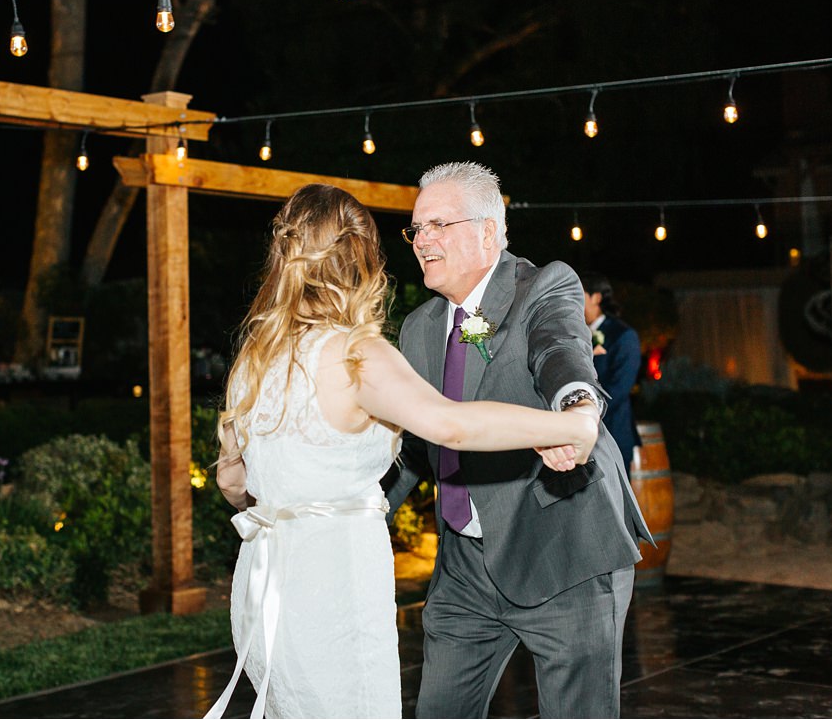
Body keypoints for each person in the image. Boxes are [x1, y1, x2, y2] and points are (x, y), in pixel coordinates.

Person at [207, 183, 599, 720]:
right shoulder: (356, 355)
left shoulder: (255, 357)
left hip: (267, 582)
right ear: (364, 258)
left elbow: (233, 481)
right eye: (417, 230)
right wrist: (562, 426)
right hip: (334, 584)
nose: (421, 241)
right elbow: (450, 426)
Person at [389, 162, 650, 719]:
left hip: (563, 548)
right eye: (416, 229)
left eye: (439, 225)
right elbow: (413, 442)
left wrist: (576, 410)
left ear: (489, 231)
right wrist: (344, 510)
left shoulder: (545, 285)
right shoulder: (418, 328)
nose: (422, 241)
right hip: (464, 569)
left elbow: (560, 352)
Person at [580, 268, 642, 474]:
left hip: (612, 433)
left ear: (596, 297)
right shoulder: (574, 333)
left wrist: (584, 414)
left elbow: (619, 388)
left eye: (578, 294)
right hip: (577, 437)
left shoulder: (623, 335)